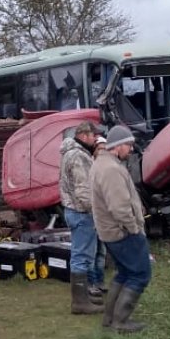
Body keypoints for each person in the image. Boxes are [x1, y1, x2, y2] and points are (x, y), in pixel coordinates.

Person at [90, 125, 151, 333]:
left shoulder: (103, 164)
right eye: (129, 145)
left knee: (124, 273)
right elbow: (120, 207)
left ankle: (110, 319)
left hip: (109, 231)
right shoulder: (111, 170)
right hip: (121, 232)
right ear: (118, 146)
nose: (131, 149)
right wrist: (134, 229)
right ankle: (121, 322)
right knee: (141, 274)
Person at [59, 121, 107, 314]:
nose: (96, 138)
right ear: (84, 135)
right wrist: (95, 209)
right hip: (82, 212)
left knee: (81, 255)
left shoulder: (71, 153)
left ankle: (84, 296)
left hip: (73, 210)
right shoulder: (79, 156)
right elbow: (83, 189)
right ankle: (80, 303)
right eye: (94, 135)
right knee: (82, 257)